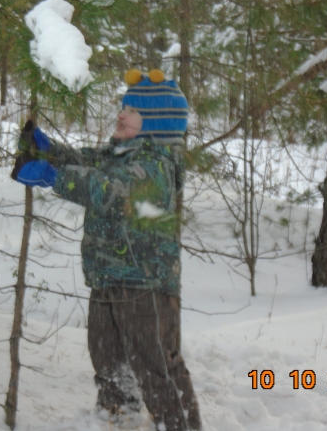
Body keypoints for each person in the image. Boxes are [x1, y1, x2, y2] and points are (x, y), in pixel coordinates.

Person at [13, 69, 201, 431]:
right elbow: (87, 163)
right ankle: (118, 419)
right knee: (109, 362)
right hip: (107, 278)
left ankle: (179, 426)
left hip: (145, 286)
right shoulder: (118, 155)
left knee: (156, 366)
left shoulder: (156, 166)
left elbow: (112, 190)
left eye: (131, 111)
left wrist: (55, 178)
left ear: (155, 125)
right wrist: (50, 151)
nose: (120, 114)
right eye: (123, 106)